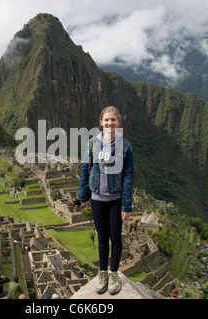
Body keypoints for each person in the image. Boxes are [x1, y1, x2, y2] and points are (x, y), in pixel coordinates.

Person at [78, 106, 134, 296]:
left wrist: (126, 204)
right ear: (101, 122)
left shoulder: (125, 146)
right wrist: (83, 194)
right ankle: (102, 272)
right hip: (97, 198)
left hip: (116, 199)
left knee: (115, 238)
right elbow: (85, 168)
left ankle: (114, 273)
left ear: (118, 122)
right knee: (102, 238)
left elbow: (128, 176)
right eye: (107, 120)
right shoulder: (93, 143)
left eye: (113, 120)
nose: (110, 123)